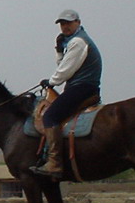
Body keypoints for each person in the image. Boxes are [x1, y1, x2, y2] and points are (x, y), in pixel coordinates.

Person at [31, 9, 103, 179]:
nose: (65, 27)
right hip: (81, 87)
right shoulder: (72, 42)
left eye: (68, 23)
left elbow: (65, 70)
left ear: (78, 22)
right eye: (62, 24)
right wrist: (58, 50)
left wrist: (51, 82)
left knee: (50, 116)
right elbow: (63, 64)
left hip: (82, 88)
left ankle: (54, 163)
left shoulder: (78, 42)